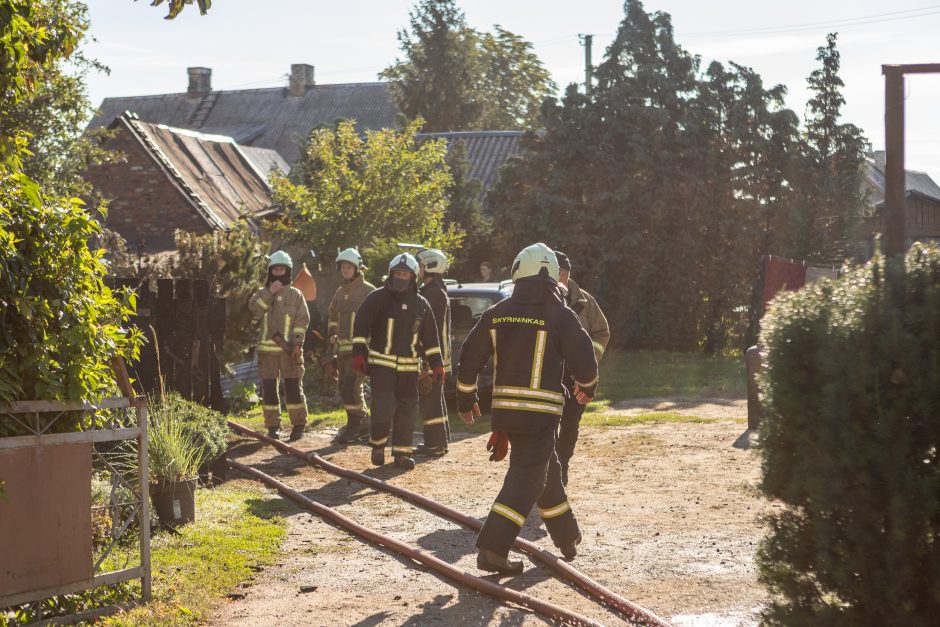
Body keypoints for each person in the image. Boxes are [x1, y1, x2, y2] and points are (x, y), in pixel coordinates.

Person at [456, 243, 598, 574]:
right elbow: (584, 356)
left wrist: (466, 397)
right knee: (526, 478)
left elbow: (470, 355)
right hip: (540, 413)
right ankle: (493, 549)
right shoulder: (561, 315)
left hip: (507, 412)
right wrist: (587, 386)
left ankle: (567, 535)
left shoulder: (497, 313)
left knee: (543, 470)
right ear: (550, 276)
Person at [351, 253, 445, 470]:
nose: (401, 277)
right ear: (391, 274)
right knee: (383, 407)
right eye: (398, 273)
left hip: (409, 369)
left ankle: (402, 454)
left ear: (412, 277)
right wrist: (358, 352)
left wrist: (437, 363)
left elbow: (431, 338)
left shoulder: (422, 304)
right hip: (382, 366)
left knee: (408, 411)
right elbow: (361, 325)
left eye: (405, 274)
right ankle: (377, 446)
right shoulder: (376, 298)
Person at [553, 251, 610, 486]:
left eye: (561, 273)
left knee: (569, 424)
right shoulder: (543, 299)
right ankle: (548, 471)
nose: (559, 277)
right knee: (545, 425)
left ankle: (561, 466)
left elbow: (601, 332)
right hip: (549, 374)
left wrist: (589, 363)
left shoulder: (584, 301)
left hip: (576, 376)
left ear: (566, 274)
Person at [248, 250, 310, 441]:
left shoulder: (296, 295)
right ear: (270, 271)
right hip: (267, 352)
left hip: (289, 351)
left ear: (288, 270)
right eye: (275, 269)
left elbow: (302, 320)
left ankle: (298, 425)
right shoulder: (262, 293)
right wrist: (270, 292)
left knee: (293, 388)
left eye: (282, 269)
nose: (278, 272)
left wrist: (298, 344)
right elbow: (255, 310)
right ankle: (273, 426)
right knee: (268, 390)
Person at [328, 248, 376, 443]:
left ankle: (355, 426)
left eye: (349, 267)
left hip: (360, 350)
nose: (345, 270)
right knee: (344, 387)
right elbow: (332, 315)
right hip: (342, 350)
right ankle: (360, 425)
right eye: (343, 267)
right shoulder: (340, 292)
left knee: (352, 385)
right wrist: (332, 333)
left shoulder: (369, 291)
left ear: (357, 268)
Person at [415, 248, 452, 456]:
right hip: (439, 356)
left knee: (430, 402)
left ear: (429, 266)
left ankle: (434, 445)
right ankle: (441, 441)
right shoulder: (438, 291)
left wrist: (426, 361)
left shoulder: (432, 294)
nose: (417, 270)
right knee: (436, 400)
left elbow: (429, 330)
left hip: (433, 357)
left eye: (420, 266)